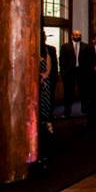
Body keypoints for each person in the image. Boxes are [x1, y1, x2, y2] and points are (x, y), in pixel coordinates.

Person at [59, 30, 89, 118]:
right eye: (76, 35)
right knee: (68, 93)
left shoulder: (85, 46)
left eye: (79, 35)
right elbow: (61, 60)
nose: (77, 36)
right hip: (69, 72)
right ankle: (67, 112)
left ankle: (85, 110)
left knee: (84, 92)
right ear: (72, 36)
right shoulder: (65, 46)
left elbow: (88, 60)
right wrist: (63, 72)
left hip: (82, 72)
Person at [39, 33, 54, 162]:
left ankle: (47, 127)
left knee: (44, 107)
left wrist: (43, 76)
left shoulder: (46, 51)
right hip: (32, 84)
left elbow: (49, 69)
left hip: (44, 83)